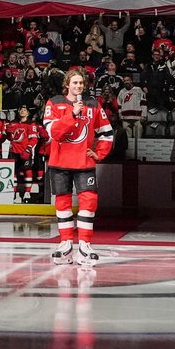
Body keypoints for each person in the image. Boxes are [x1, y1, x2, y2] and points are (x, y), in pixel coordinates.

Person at [43, 68, 114, 267]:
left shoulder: (92, 105)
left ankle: (84, 245)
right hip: (60, 162)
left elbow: (107, 133)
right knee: (63, 203)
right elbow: (54, 133)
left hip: (84, 162)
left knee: (89, 202)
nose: (78, 86)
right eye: (74, 83)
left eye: (81, 83)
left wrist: (98, 154)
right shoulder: (54, 103)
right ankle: (65, 244)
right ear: (67, 84)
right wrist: (72, 114)